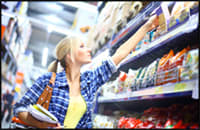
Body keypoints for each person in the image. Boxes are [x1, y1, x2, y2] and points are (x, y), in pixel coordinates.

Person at [13, 15, 158, 129]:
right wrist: (42, 125)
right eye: (82, 47)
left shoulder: (89, 81)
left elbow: (120, 54)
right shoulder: (48, 81)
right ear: (69, 56)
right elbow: (19, 108)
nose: (89, 50)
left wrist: (146, 27)